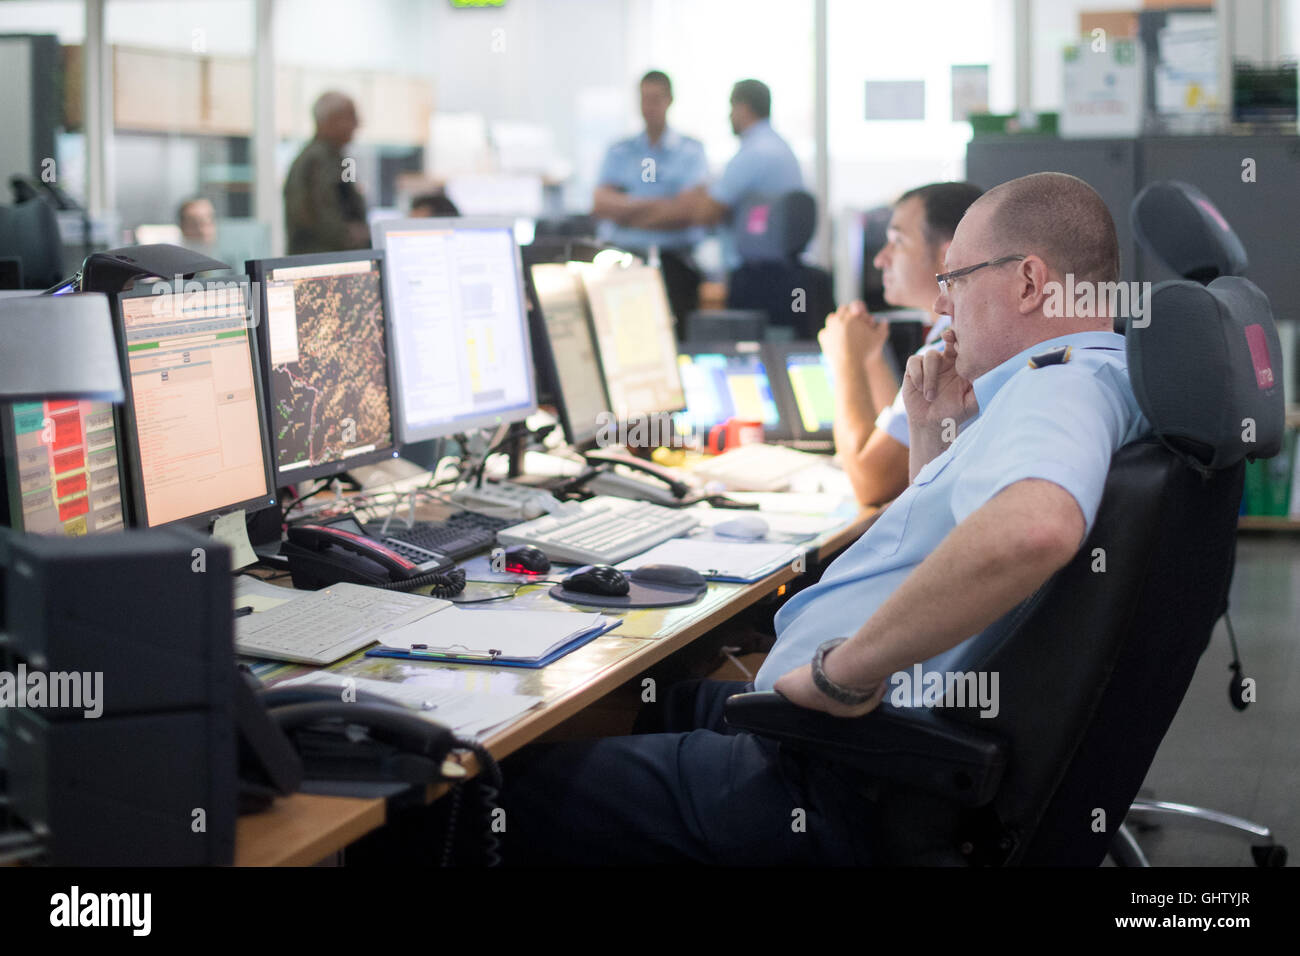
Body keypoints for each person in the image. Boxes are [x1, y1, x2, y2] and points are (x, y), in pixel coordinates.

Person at [495, 172, 1151, 865]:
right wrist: (935, 440)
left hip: (836, 773)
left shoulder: (1062, 386)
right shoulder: (1070, 379)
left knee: (499, 793)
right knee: (663, 702)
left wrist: (843, 673)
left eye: (955, 278)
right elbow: (959, 540)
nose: (940, 300)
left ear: (1027, 282)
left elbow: (1034, 528)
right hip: (860, 744)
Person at [821, 182, 984, 507]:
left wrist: (844, 361)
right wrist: (869, 359)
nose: (881, 259)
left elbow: (872, 484)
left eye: (897, 242)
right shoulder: (960, 336)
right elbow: (899, 436)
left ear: (946, 256)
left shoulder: (950, 353)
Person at [617, 78, 803, 270]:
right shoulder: (781, 148)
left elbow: (704, 214)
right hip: (782, 267)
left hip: (757, 274)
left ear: (743, 108)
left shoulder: (751, 154)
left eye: (732, 108)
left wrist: (629, 218)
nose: (729, 116)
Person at [592, 70, 708, 324]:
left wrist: (625, 211)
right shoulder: (620, 150)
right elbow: (600, 203)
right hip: (624, 262)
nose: (648, 107)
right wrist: (662, 206)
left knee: (675, 339)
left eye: (655, 99)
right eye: (644, 99)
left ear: (669, 101)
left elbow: (687, 211)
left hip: (674, 266)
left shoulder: (690, 151)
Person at [283, 91, 369, 255]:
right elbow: (320, 221)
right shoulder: (315, 161)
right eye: (350, 116)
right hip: (321, 266)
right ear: (329, 120)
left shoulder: (336, 158)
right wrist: (355, 235)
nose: (357, 124)